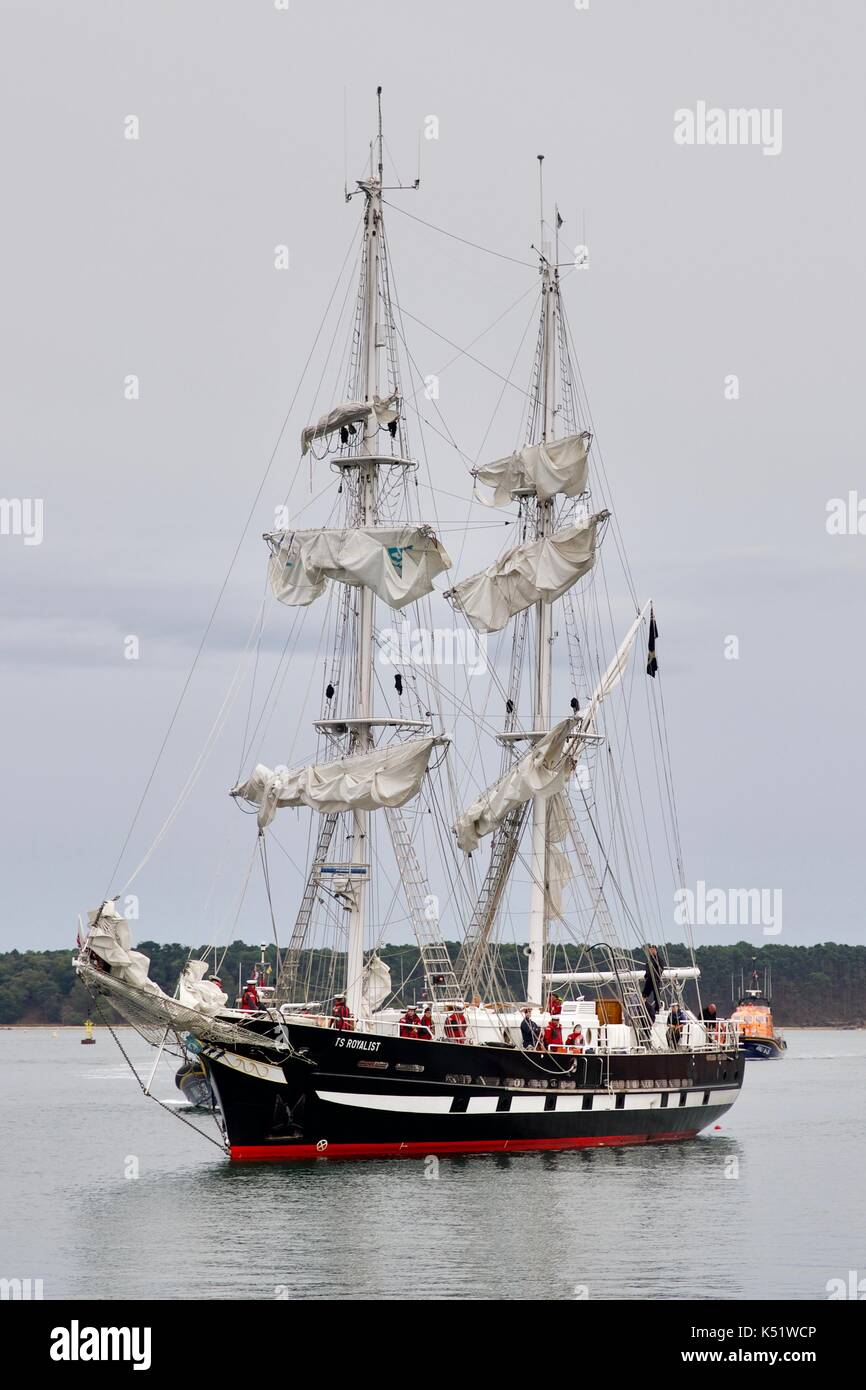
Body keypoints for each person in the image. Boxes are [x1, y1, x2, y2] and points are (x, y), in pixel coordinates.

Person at [641, 944, 664, 1022]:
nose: (651, 951)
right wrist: (646, 975)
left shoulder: (658, 959)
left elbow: (661, 968)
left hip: (655, 980)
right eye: (650, 950)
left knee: (656, 995)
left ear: (655, 950)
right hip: (649, 980)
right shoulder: (649, 959)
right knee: (644, 994)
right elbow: (647, 968)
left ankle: (657, 1009)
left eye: (652, 949)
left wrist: (657, 976)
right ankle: (642, 1007)